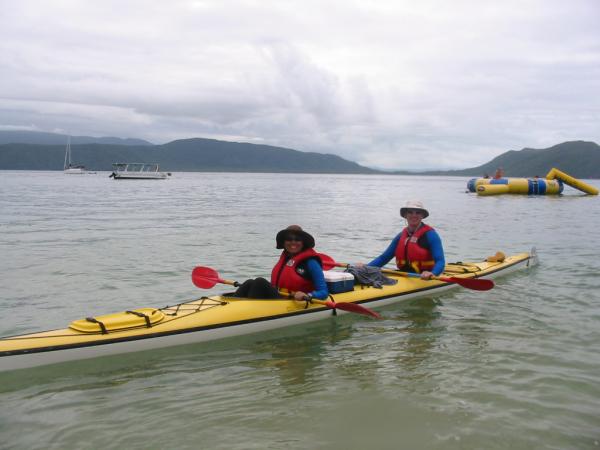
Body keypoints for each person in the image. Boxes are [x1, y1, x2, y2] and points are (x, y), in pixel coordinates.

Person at [232, 225, 328, 301]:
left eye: (297, 239)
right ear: (284, 242)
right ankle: (233, 307)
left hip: (294, 301)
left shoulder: (311, 262)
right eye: (289, 239)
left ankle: (247, 312)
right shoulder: (286, 257)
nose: (293, 242)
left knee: (259, 281)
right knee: (250, 283)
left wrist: (308, 295)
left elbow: (324, 292)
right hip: (280, 297)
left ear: (303, 243)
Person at [364, 200, 445, 280]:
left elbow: (440, 261)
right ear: (405, 215)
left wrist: (433, 273)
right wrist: (365, 269)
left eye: (418, 212)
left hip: (424, 277)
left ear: (422, 216)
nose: (414, 215)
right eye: (410, 212)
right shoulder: (400, 236)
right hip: (403, 275)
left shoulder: (431, 235)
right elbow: (383, 258)